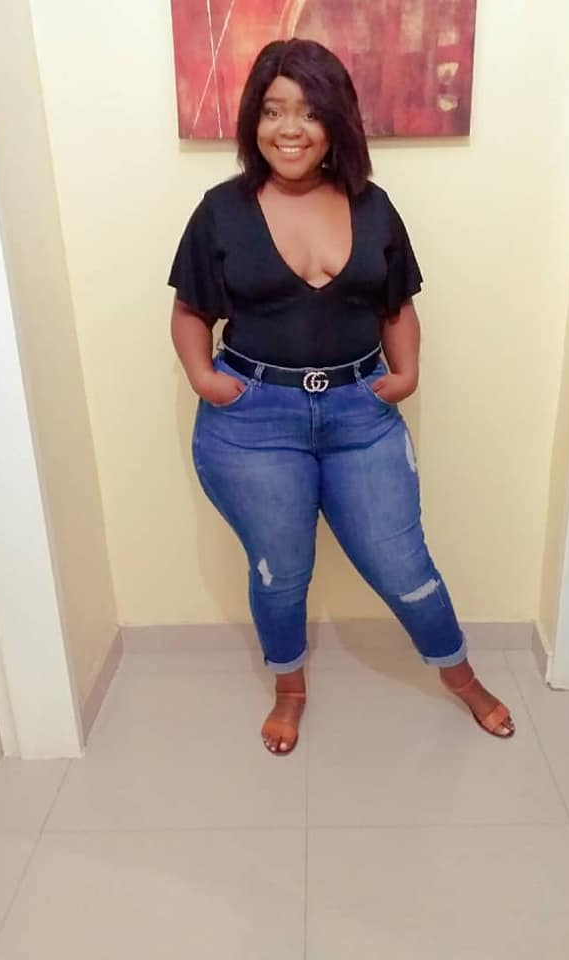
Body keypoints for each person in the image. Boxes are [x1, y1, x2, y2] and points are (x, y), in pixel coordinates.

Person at [169, 38, 514, 755]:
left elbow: (398, 307)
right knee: (281, 572)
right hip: (254, 424)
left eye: (307, 111)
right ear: (254, 120)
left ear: (335, 122)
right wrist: (204, 378)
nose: (289, 129)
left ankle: (461, 677)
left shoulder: (372, 206)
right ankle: (289, 689)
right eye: (272, 111)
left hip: (361, 414)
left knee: (403, 564)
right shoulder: (220, 212)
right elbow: (190, 311)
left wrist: (406, 373)